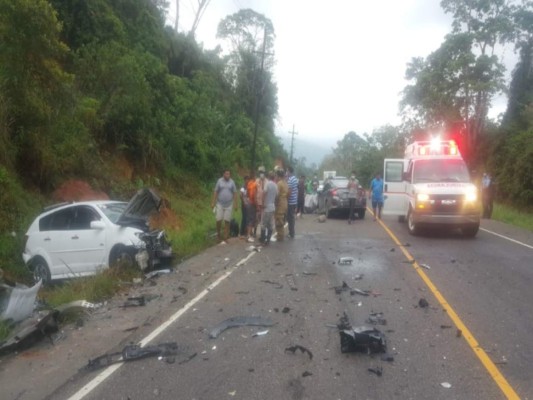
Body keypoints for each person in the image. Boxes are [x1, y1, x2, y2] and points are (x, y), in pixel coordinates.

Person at [211, 169, 238, 244]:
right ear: (223, 174)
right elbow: (215, 191)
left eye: (229, 174)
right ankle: (218, 235)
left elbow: (235, 193)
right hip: (220, 203)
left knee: (227, 221)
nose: (227, 175)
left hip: (229, 204)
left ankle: (225, 237)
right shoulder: (219, 181)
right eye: (226, 174)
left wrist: (236, 204)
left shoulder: (232, 182)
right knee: (218, 219)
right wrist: (213, 202)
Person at [261, 171, 278, 245]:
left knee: (264, 224)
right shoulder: (275, 185)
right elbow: (277, 196)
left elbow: (264, 193)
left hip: (266, 207)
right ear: (274, 177)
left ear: (268, 177)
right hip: (272, 207)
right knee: (270, 224)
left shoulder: (267, 184)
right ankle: (268, 239)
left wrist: (263, 203)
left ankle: (263, 239)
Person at [275, 169, 289, 242]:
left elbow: (277, 195)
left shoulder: (279, 183)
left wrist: (275, 204)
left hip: (280, 203)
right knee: (282, 219)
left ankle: (280, 236)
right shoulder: (286, 183)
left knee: (279, 220)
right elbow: (288, 193)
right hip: (285, 202)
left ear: (278, 175)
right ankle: (281, 235)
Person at [286, 166, 298, 238]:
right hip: (294, 201)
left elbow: (289, 191)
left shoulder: (290, 180)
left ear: (289, 171)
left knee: (290, 218)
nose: (286, 172)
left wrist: (286, 199)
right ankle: (291, 232)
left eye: (287, 171)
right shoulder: (295, 179)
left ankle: (291, 233)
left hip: (290, 202)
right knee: (291, 218)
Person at [255, 166, 267, 237]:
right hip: (258, 203)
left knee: (263, 220)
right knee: (256, 218)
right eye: (260, 172)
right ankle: (254, 233)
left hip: (264, 204)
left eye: (262, 172)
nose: (261, 174)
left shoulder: (267, 181)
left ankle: (263, 234)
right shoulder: (256, 181)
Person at [246, 174, 257, 242]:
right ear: (254, 177)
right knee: (252, 219)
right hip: (253, 204)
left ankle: (248, 234)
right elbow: (254, 196)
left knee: (249, 218)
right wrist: (256, 205)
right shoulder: (255, 185)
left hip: (249, 203)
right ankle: (249, 235)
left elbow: (247, 194)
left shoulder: (249, 183)